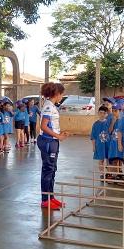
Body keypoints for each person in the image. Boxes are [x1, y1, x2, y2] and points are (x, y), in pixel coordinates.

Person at [38, 82, 69, 210]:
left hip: (52, 141)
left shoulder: (51, 106)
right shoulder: (48, 107)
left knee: (52, 170)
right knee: (48, 170)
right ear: (56, 94)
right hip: (47, 142)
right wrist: (58, 136)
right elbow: (43, 126)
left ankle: (51, 197)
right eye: (61, 94)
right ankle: (45, 200)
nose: (62, 96)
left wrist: (59, 134)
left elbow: (51, 125)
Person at [90, 106, 110, 177]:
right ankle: (102, 173)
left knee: (108, 159)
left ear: (107, 114)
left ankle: (109, 173)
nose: (102, 115)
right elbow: (93, 137)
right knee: (101, 160)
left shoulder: (109, 123)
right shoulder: (95, 124)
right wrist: (94, 146)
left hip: (108, 145)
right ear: (98, 113)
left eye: (104, 113)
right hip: (99, 145)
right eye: (101, 113)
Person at [107, 103, 124, 181]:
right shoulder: (111, 119)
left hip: (120, 143)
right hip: (113, 143)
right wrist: (113, 122)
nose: (114, 113)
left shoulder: (123, 120)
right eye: (113, 111)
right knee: (113, 160)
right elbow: (110, 131)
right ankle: (114, 175)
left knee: (120, 159)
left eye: (116, 111)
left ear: (120, 111)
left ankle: (119, 174)